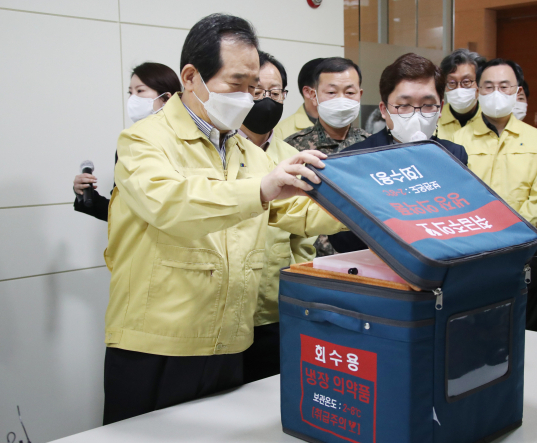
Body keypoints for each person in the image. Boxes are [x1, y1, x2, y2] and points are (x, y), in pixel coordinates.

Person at [102, 14, 346, 425]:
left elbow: (295, 212)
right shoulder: (144, 140)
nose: (248, 98)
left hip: (231, 340)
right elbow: (169, 203)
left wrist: (361, 207)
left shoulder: (248, 152)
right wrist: (262, 189)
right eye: (236, 84)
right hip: (159, 343)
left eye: (253, 87)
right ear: (191, 77)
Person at [329, 53, 468, 253]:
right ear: (384, 110)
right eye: (404, 105)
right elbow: (342, 239)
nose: (416, 114)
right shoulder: (354, 159)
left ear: (440, 109)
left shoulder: (454, 155)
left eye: (428, 105)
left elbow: (464, 218)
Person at [452, 58, 537, 330]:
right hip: (473, 249)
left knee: (525, 318)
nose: (496, 93)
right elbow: (454, 195)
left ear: (517, 91)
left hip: (523, 248)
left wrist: (513, 235)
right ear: (477, 91)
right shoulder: (458, 140)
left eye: (504, 86)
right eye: (488, 86)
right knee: (476, 319)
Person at [237, 51, 316, 383]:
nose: (267, 100)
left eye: (276, 92)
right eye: (257, 92)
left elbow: (305, 240)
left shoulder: (293, 157)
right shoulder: (220, 153)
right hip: (231, 307)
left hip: (278, 305)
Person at [73, 62, 181, 222]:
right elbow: (121, 213)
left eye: (140, 91)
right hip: (138, 245)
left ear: (166, 98)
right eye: (130, 92)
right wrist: (85, 195)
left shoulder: (186, 142)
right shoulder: (129, 143)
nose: (132, 98)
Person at [285, 57, 370, 256]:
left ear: (360, 95)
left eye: (349, 92)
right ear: (314, 96)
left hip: (366, 258)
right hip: (312, 262)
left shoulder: (373, 147)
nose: (341, 99)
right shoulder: (292, 148)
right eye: (331, 92)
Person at [438, 48, 486, 141]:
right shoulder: (434, 121)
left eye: (466, 82)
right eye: (452, 82)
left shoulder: (490, 121)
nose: (459, 89)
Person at [273, 58, 324, 140]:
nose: (340, 97)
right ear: (308, 92)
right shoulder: (280, 132)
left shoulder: (344, 124)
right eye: (331, 91)